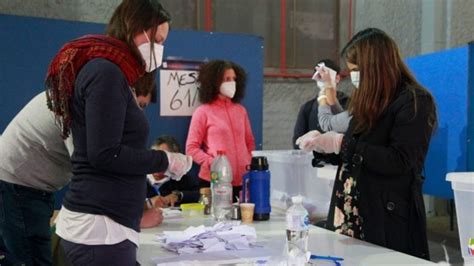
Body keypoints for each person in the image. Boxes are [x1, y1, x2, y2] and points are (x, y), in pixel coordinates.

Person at [47, 1, 192, 264]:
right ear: (136, 28)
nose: (159, 50)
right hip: (99, 232)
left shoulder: (112, 72)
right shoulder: (106, 72)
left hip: (106, 226)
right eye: (157, 41)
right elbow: (105, 154)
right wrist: (164, 160)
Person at [296, 28, 437, 260]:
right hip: (350, 211)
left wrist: (341, 144)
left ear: (374, 67)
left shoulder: (414, 101)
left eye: (355, 70)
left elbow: (400, 160)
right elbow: (355, 149)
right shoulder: (369, 99)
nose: (353, 77)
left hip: (385, 219)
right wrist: (323, 147)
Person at [0, 80, 157, 265]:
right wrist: (132, 222)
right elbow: (96, 175)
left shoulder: (90, 96)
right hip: (17, 185)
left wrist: (142, 205)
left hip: (29, 185)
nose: (139, 115)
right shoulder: (85, 106)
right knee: (31, 259)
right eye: (139, 106)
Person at [186, 60, 256, 201]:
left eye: (234, 79)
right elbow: (191, 148)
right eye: (227, 79)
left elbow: (250, 142)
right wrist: (213, 163)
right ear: (215, 82)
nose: (232, 83)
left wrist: (247, 162)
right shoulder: (203, 112)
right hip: (214, 180)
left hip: (243, 181)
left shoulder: (241, 111)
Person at [293, 59, 349, 167]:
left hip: (342, 165)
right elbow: (297, 142)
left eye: (326, 75)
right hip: (315, 169)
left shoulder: (350, 104)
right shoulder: (307, 108)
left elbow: (328, 122)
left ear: (337, 78)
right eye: (319, 76)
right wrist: (310, 145)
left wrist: (324, 98)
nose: (323, 79)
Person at [146, 135, 200, 208]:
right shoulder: (138, 180)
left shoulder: (182, 179)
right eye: (154, 156)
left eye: (163, 158)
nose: (156, 162)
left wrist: (179, 195)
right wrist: (148, 203)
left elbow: (200, 195)